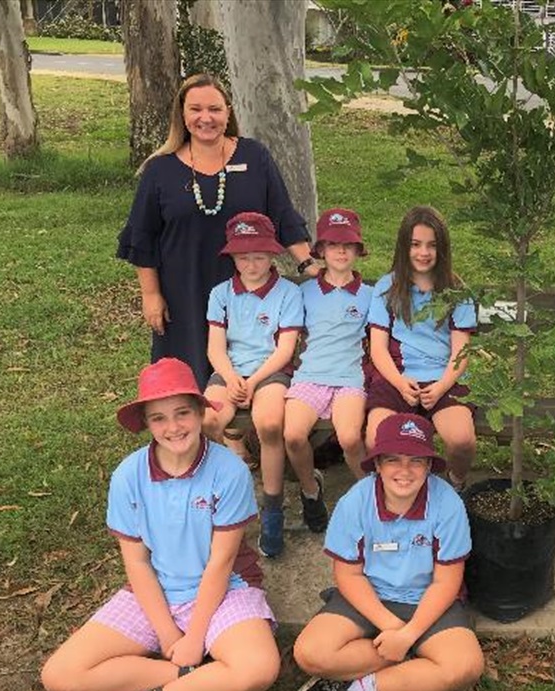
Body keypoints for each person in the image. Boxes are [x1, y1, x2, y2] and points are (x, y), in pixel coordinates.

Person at [41, 358, 280, 691]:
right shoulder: (128, 475)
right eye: (158, 418)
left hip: (226, 589)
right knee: (59, 675)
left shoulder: (229, 471)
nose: (173, 427)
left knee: (259, 670)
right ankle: (202, 681)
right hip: (156, 591)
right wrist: (170, 637)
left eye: (183, 413)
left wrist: (196, 636)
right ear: (147, 424)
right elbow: (136, 562)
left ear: (202, 411)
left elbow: (221, 562)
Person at [117, 72, 319, 389]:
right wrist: (151, 294)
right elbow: (143, 237)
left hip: (246, 285)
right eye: (196, 109)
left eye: (214, 109)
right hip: (183, 287)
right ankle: (193, 433)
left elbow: (282, 216)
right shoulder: (160, 169)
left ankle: (237, 432)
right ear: (182, 114)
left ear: (228, 111)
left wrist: (309, 263)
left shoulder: (255, 157)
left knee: (244, 361)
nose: (205, 118)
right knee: (187, 373)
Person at [286, 413, 484, 691]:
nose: (404, 471)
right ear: (377, 464)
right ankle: (414, 667)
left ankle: (352, 690)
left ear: (429, 466)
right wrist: (394, 629)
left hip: (429, 599)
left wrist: (409, 632)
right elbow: (349, 575)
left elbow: (447, 580)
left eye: (416, 461)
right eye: (393, 460)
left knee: (465, 667)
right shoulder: (355, 502)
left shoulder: (447, 503)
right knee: (310, 653)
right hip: (369, 595)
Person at [201, 212, 303, 559]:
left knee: (270, 423)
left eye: (259, 256)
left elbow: (285, 349)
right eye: (243, 256)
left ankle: (272, 506)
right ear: (232, 256)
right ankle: (216, 500)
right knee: (206, 420)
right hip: (229, 372)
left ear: (272, 255)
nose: (252, 264)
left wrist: (254, 380)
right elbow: (215, 347)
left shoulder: (287, 293)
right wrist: (231, 378)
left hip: (270, 373)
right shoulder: (220, 294)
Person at [365, 206, 477, 490]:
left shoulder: (456, 291)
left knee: (462, 441)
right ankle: (390, 495)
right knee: (375, 439)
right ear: (404, 246)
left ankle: (454, 485)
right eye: (415, 245)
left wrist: (441, 387)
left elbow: (460, 353)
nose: (423, 253)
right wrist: (400, 383)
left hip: (443, 378)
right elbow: (378, 349)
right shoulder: (386, 287)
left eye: (431, 245)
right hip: (398, 376)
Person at [284, 208, 374, 534]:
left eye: (347, 245)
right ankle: (311, 489)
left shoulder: (369, 296)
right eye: (332, 244)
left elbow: (378, 344)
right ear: (319, 250)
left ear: (357, 251)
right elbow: (287, 337)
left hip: (349, 379)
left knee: (350, 438)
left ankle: (373, 497)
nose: (340, 251)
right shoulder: (303, 293)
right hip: (310, 377)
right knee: (293, 435)